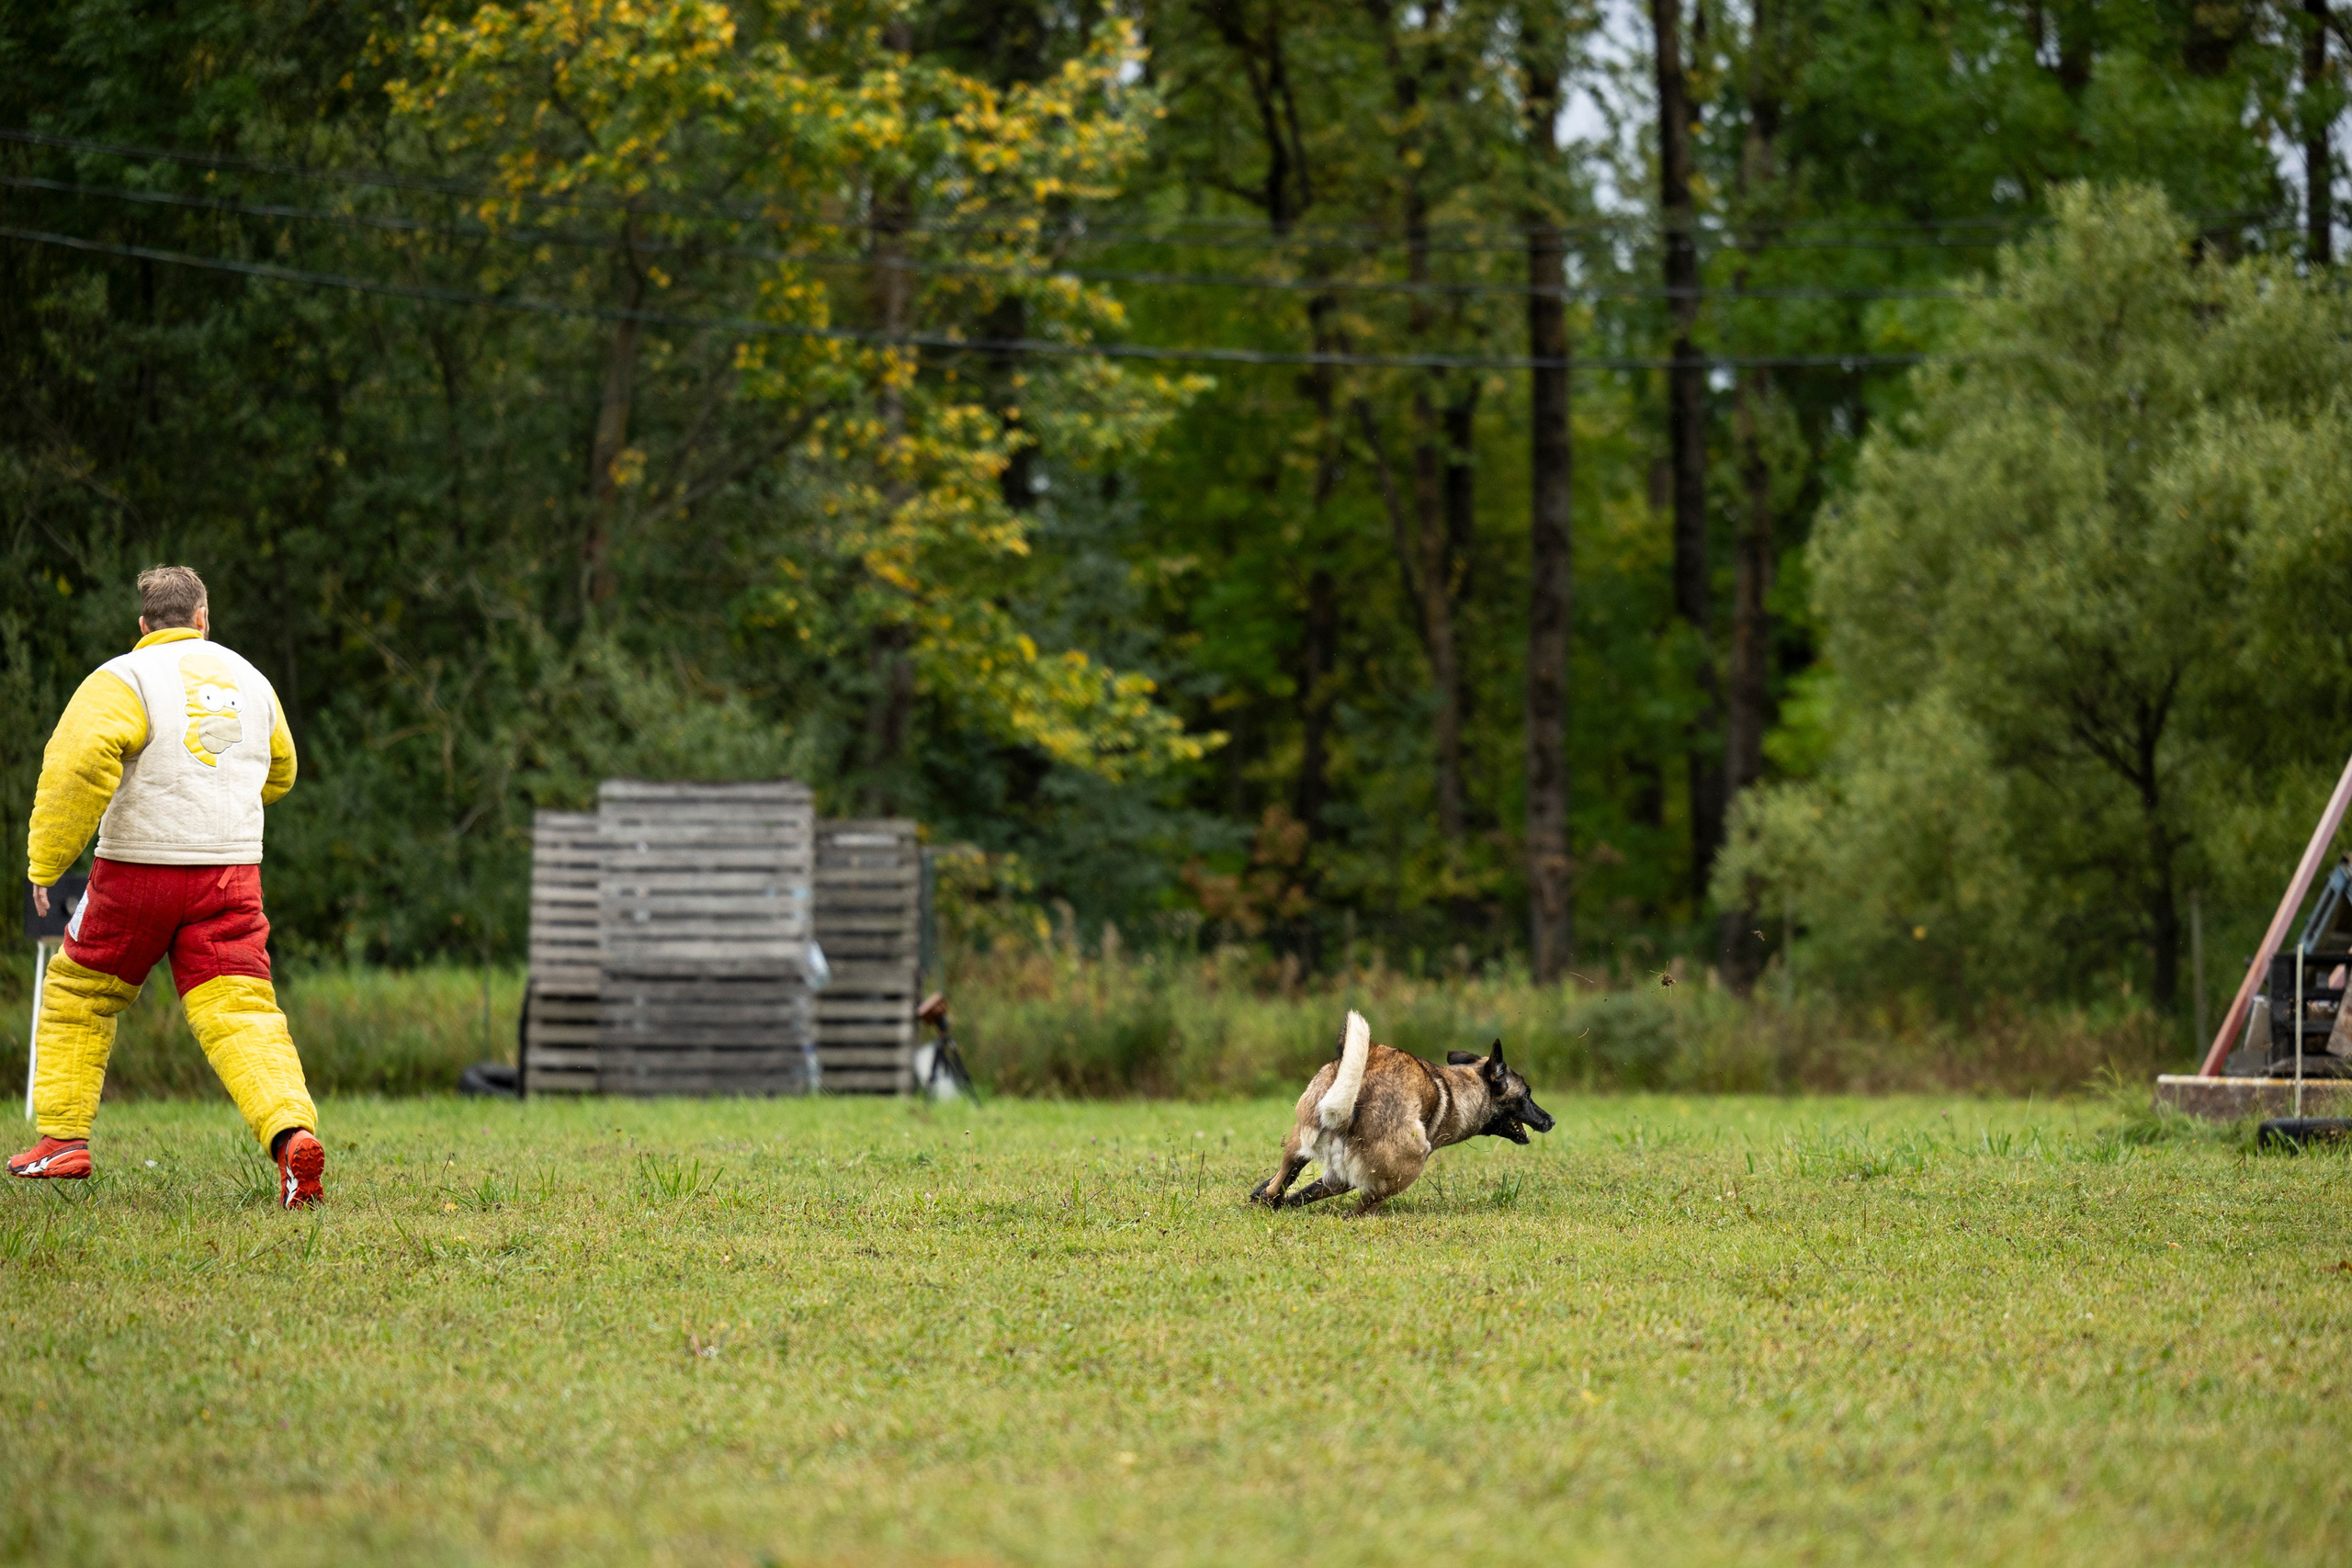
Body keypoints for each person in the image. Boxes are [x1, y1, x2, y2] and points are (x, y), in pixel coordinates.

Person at [12, 565, 324, 1206]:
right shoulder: (252, 679)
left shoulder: (121, 678)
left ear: (144, 624)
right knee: (244, 1013)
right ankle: (292, 1138)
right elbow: (281, 769)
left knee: (80, 990)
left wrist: (46, 864)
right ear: (205, 617)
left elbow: (77, 768)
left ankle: (63, 1141)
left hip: (137, 872)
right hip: (231, 875)